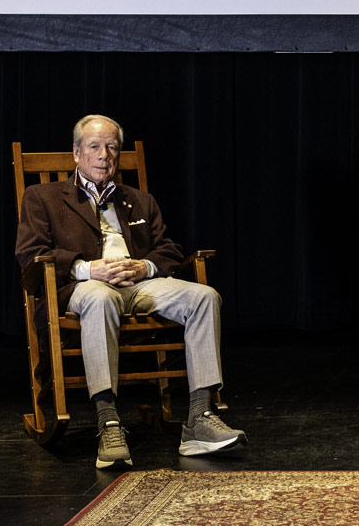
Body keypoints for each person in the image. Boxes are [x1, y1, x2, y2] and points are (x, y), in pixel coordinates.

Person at [13, 114, 243, 468]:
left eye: (112, 147)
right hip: (84, 286)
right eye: (94, 146)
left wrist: (144, 266)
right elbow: (31, 254)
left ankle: (200, 418)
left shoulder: (140, 200)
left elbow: (168, 250)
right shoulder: (41, 197)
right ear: (76, 153)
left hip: (140, 285)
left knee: (204, 297)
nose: (104, 155)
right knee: (100, 296)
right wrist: (87, 268)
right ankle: (108, 421)